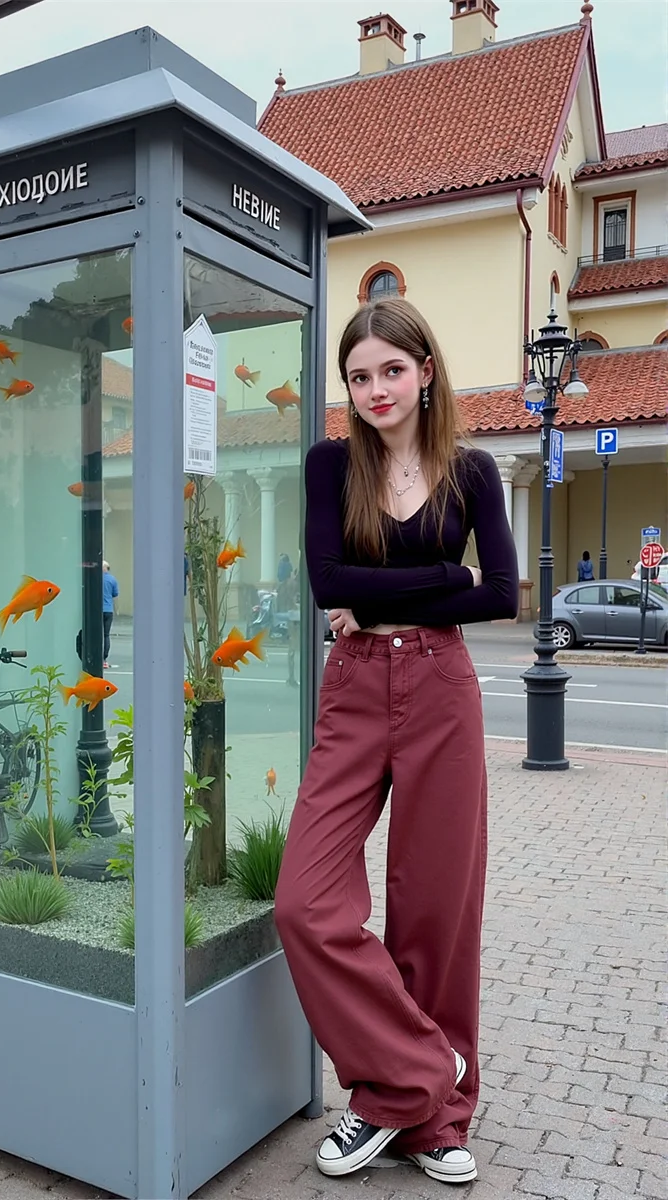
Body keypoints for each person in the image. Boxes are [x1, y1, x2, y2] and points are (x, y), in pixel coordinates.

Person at [274, 297, 518, 1186]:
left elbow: (502, 596)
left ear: (425, 372)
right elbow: (325, 582)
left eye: (391, 370)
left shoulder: (473, 471)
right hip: (354, 686)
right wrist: (445, 573)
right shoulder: (330, 465)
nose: (375, 389)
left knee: (436, 908)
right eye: (359, 376)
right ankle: (422, 1068)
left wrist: (378, 590)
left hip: (442, 686)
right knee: (304, 904)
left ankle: (429, 1121)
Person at [102, 560, 119, 668]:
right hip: (108, 610)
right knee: (106, 635)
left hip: (97, 610)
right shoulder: (112, 579)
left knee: (96, 635)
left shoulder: (96, 579)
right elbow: (115, 594)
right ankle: (104, 659)